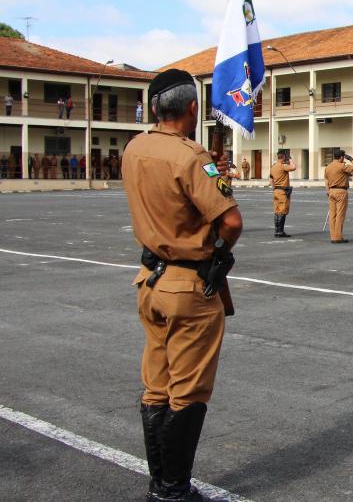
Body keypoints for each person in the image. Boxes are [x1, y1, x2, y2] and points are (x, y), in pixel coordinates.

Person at [122, 69, 243, 502]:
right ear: (193, 108)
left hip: (149, 278)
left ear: (155, 108)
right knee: (187, 391)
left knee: (156, 386)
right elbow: (230, 220)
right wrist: (220, 253)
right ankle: (174, 488)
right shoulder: (193, 157)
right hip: (188, 285)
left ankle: (160, 482)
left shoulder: (135, 148)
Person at [324, 149, 353, 243]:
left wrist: (328, 191)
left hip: (331, 191)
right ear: (341, 157)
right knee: (340, 214)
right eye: (343, 157)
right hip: (340, 191)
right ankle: (338, 237)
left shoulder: (328, 167)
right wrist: (352, 159)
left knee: (332, 215)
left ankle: (333, 236)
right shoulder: (342, 166)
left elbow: (326, 180)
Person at [269, 151, 296, 238]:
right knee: (282, 211)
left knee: (277, 211)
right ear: (283, 157)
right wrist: (290, 159)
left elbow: (271, 180)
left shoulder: (273, 167)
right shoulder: (282, 166)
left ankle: (277, 231)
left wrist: (274, 188)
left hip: (276, 190)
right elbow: (293, 167)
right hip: (282, 192)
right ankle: (280, 232)